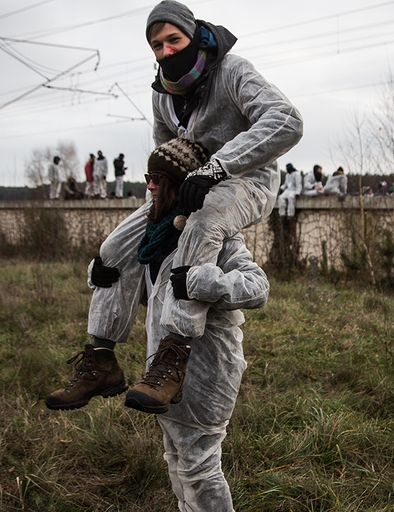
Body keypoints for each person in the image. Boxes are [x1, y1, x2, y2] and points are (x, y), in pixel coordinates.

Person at [50, 0, 302, 416]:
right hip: (186, 184)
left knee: (201, 227)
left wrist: (219, 165)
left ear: (193, 36)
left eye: (174, 40)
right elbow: (164, 148)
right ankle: (101, 358)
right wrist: (164, 195)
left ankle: (174, 352)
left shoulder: (232, 72)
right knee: (115, 249)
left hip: (245, 180)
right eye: (156, 46)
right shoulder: (162, 95)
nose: (166, 52)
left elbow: (286, 120)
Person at [48, 139, 268, 511]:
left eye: (159, 180)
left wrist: (205, 281)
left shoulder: (219, 235)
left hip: (207, 369)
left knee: (199, 464)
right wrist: (101, 273)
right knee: (176, 458)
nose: (149, 187)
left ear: (180, 187)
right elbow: (151, 295)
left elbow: (258, 286)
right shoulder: (152, 239)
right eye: (149, 177)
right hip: (161, 370)